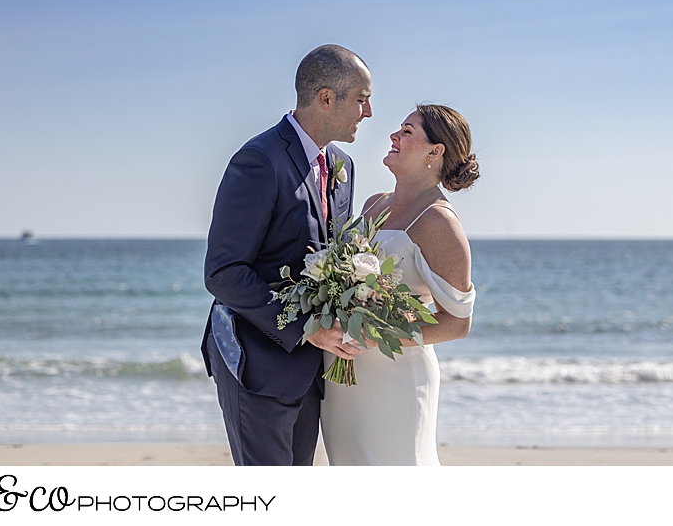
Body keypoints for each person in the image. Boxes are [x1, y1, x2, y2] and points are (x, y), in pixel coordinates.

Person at [202, 44, 372, 466]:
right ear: (326, 98)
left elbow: (334, 261)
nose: (367, 112)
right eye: (361, 99)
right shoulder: (259, 160)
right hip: (257, 366)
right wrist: (306, 328)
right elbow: (223, 272)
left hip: (309, 374)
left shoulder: (342, 165)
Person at [320, 104, 479, 466]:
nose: (394, 135)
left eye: (407, 131)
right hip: (343, 378)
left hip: (395, 379)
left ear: (434, 152)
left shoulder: (439, 221)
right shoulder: (372, 204)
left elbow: (457, 323)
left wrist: (375, 336)